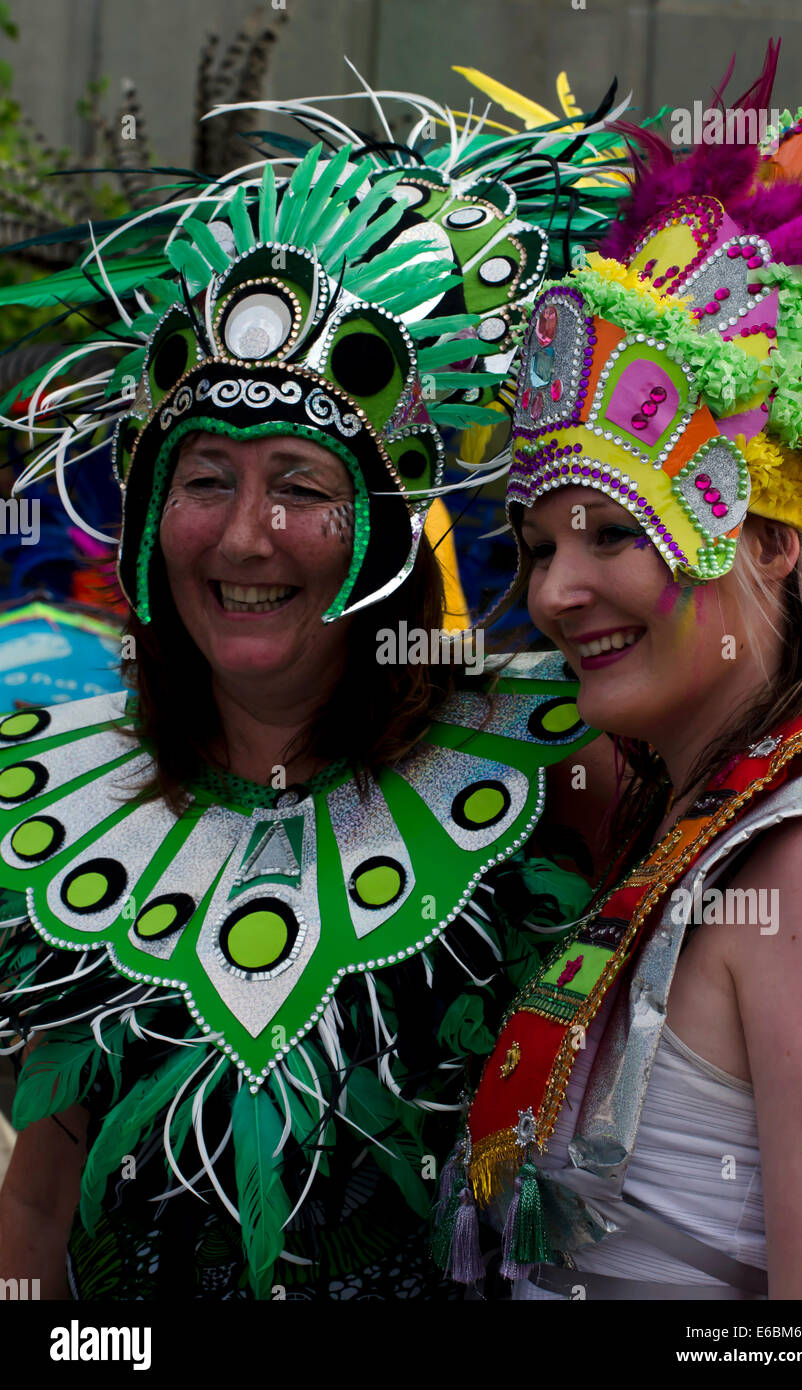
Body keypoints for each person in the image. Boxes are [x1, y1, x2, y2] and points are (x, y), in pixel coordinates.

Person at [0, 137, 606, 1301]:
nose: (244, 536)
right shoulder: (76, 806)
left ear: (383, 526)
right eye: (207, 478)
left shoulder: (548, 764)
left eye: (301, 483)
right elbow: (38, 1198)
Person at [435, 56, 802, 1301]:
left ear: (773, 545)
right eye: (539, 544)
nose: (558, 590)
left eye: (614, 532)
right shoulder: (693, 813)